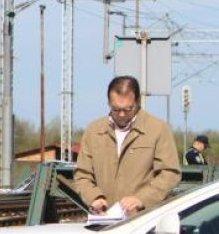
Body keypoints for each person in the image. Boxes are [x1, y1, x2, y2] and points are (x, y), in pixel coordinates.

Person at [74, 75, 181, 216]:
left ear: (138, 101)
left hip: (143, 222)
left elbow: (170, 173)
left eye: (128, 109)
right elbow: (82, 174)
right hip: (103, 221)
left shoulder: (158, 129)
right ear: (108, 103)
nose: (122, 114)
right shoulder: (94, 131)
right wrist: (94, 197)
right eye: (116, 109)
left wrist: (141, 199)